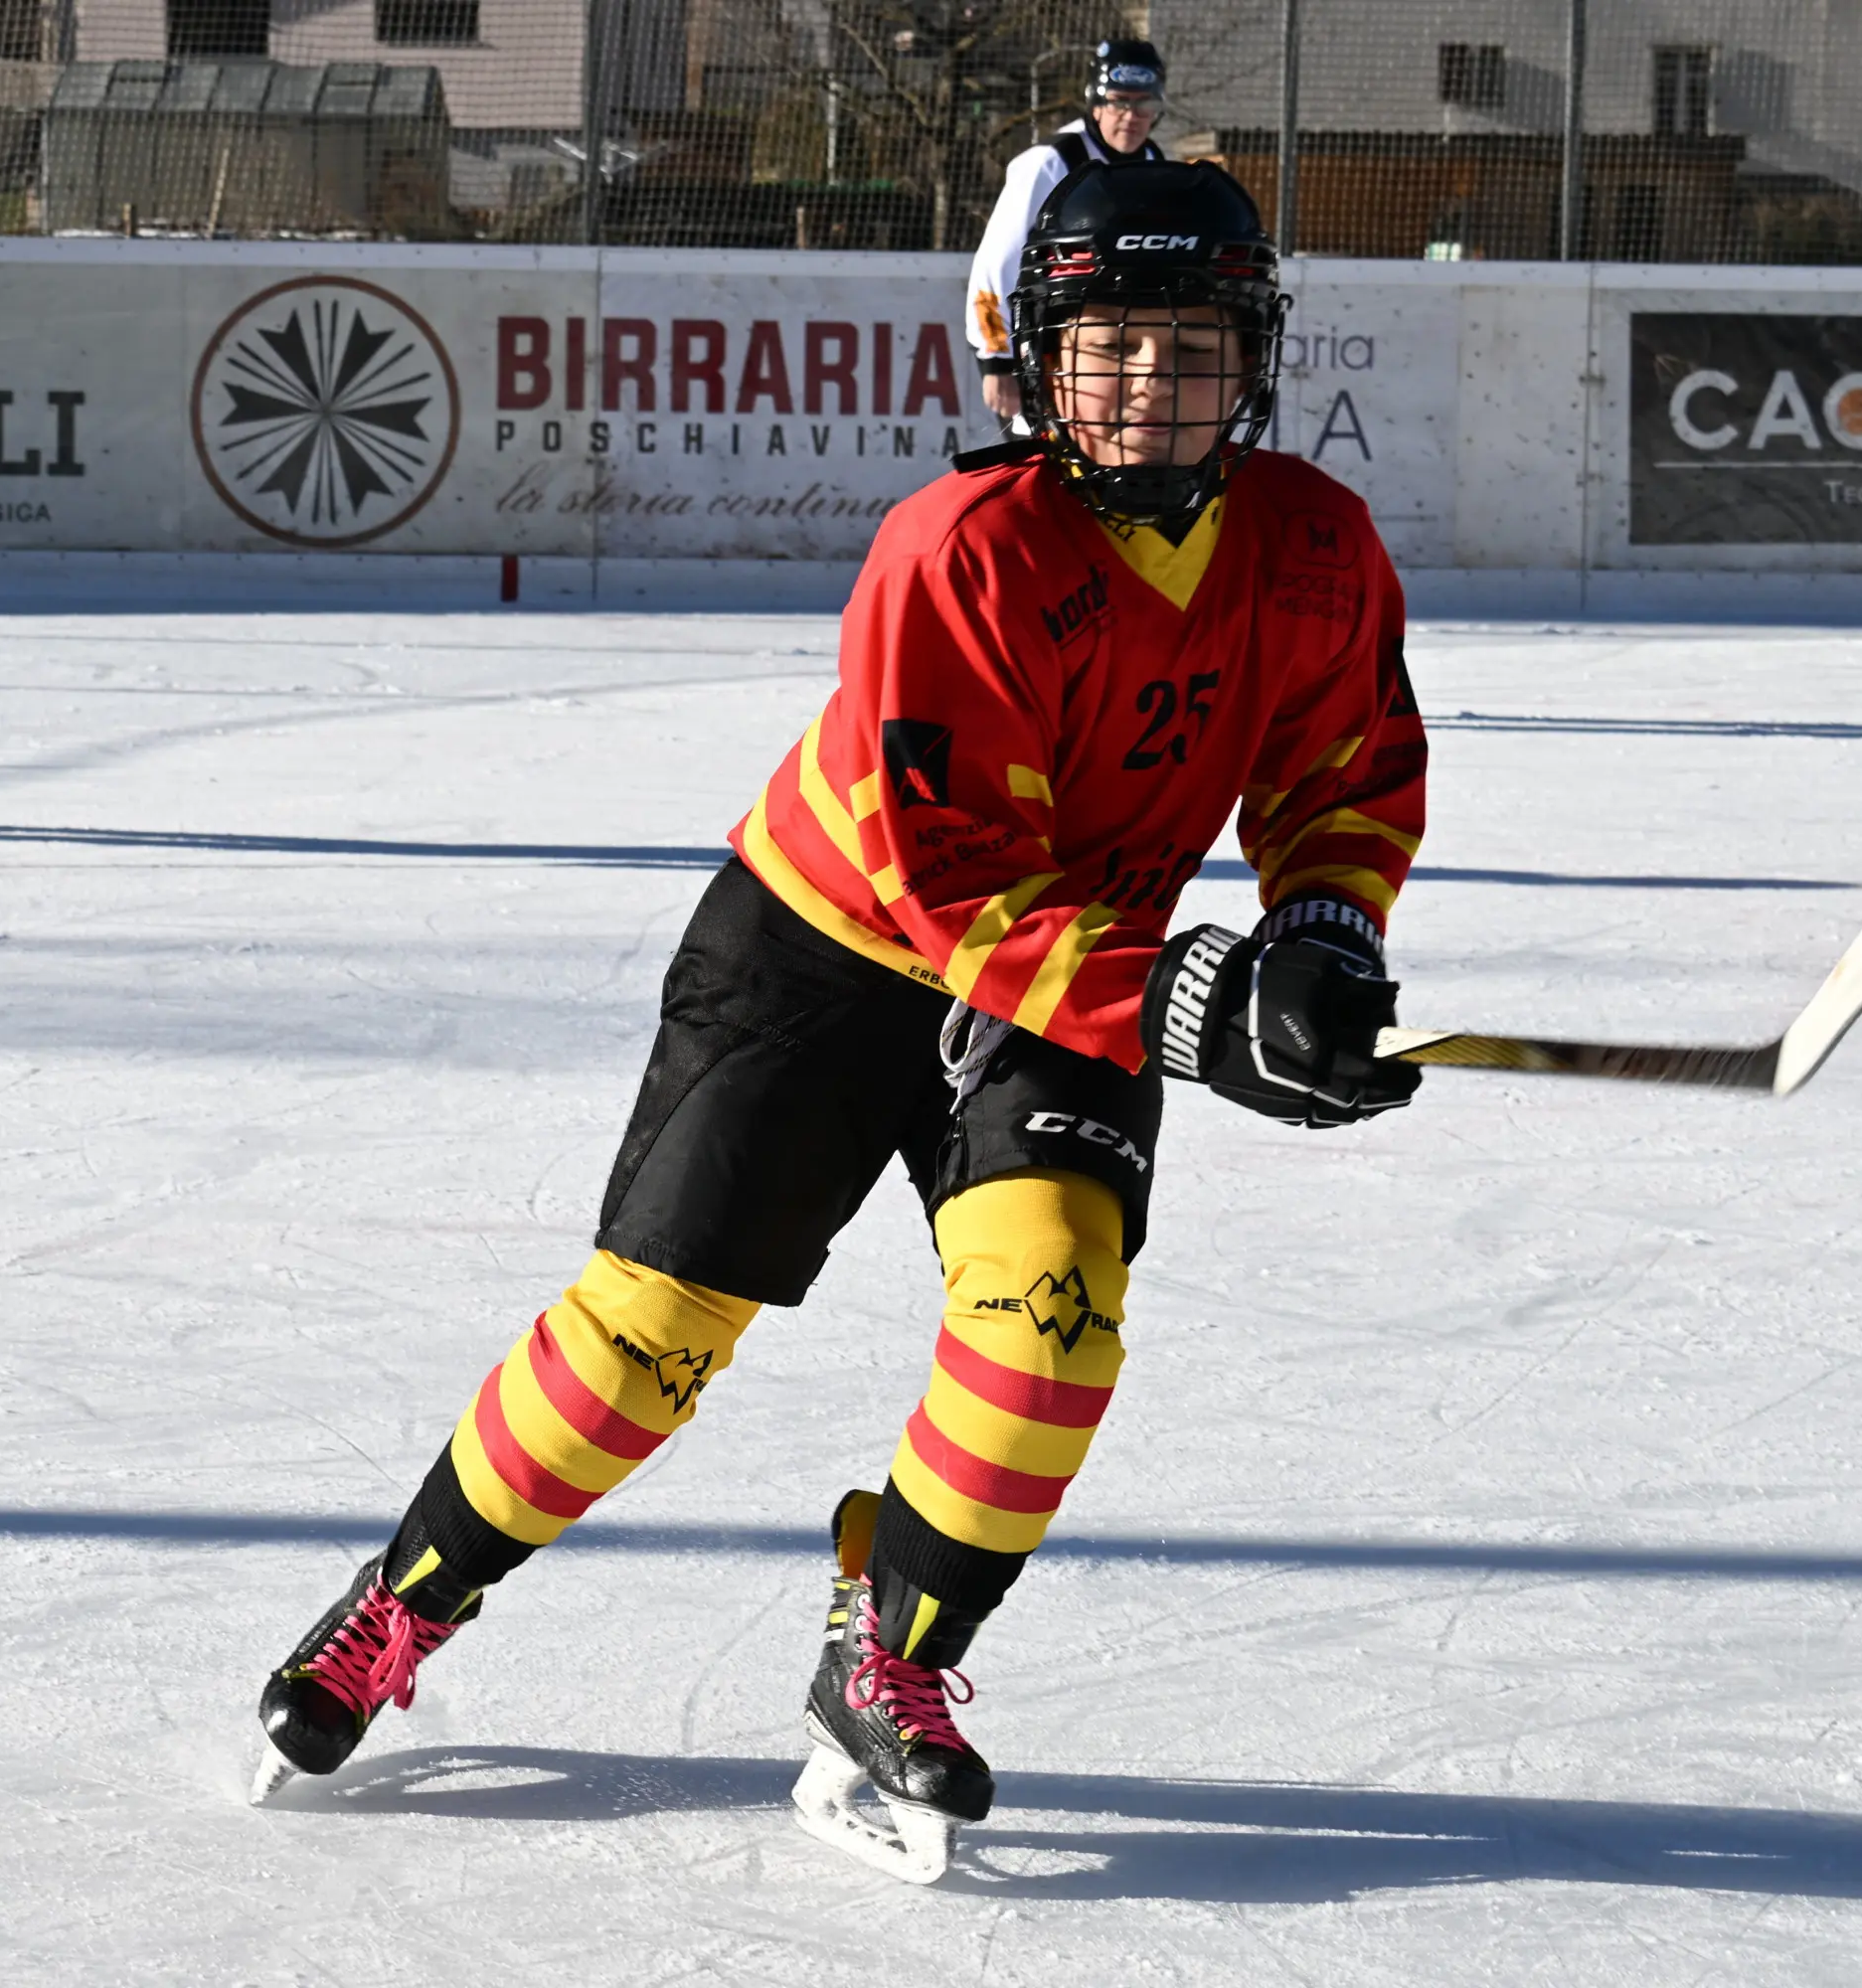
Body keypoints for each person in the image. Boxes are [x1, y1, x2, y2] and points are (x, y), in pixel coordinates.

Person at [249, 162, 1429, 1885]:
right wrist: (1192, 1000)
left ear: (1251, 357)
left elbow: (1345, 772)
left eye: (1188, 346)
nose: (1148, 388)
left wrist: (1323, 937)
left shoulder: (1316, 547)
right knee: (648, 1336)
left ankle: (892, 1652)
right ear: (1039, 359)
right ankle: (403, 1599)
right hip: (829, 951)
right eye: (1108, 349)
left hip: (1068, 974)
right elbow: (947, 882)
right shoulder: (961, 549)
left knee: (1053, 1324)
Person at [967, 37, 1171, 429]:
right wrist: (997, 358)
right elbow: (997, 263)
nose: (1131, 115)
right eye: (1118, 101)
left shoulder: (1154, 163)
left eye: (1144, 104)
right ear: (1097, 101)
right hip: (1049, 351)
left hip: (1121, 351)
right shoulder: (1051, 163)